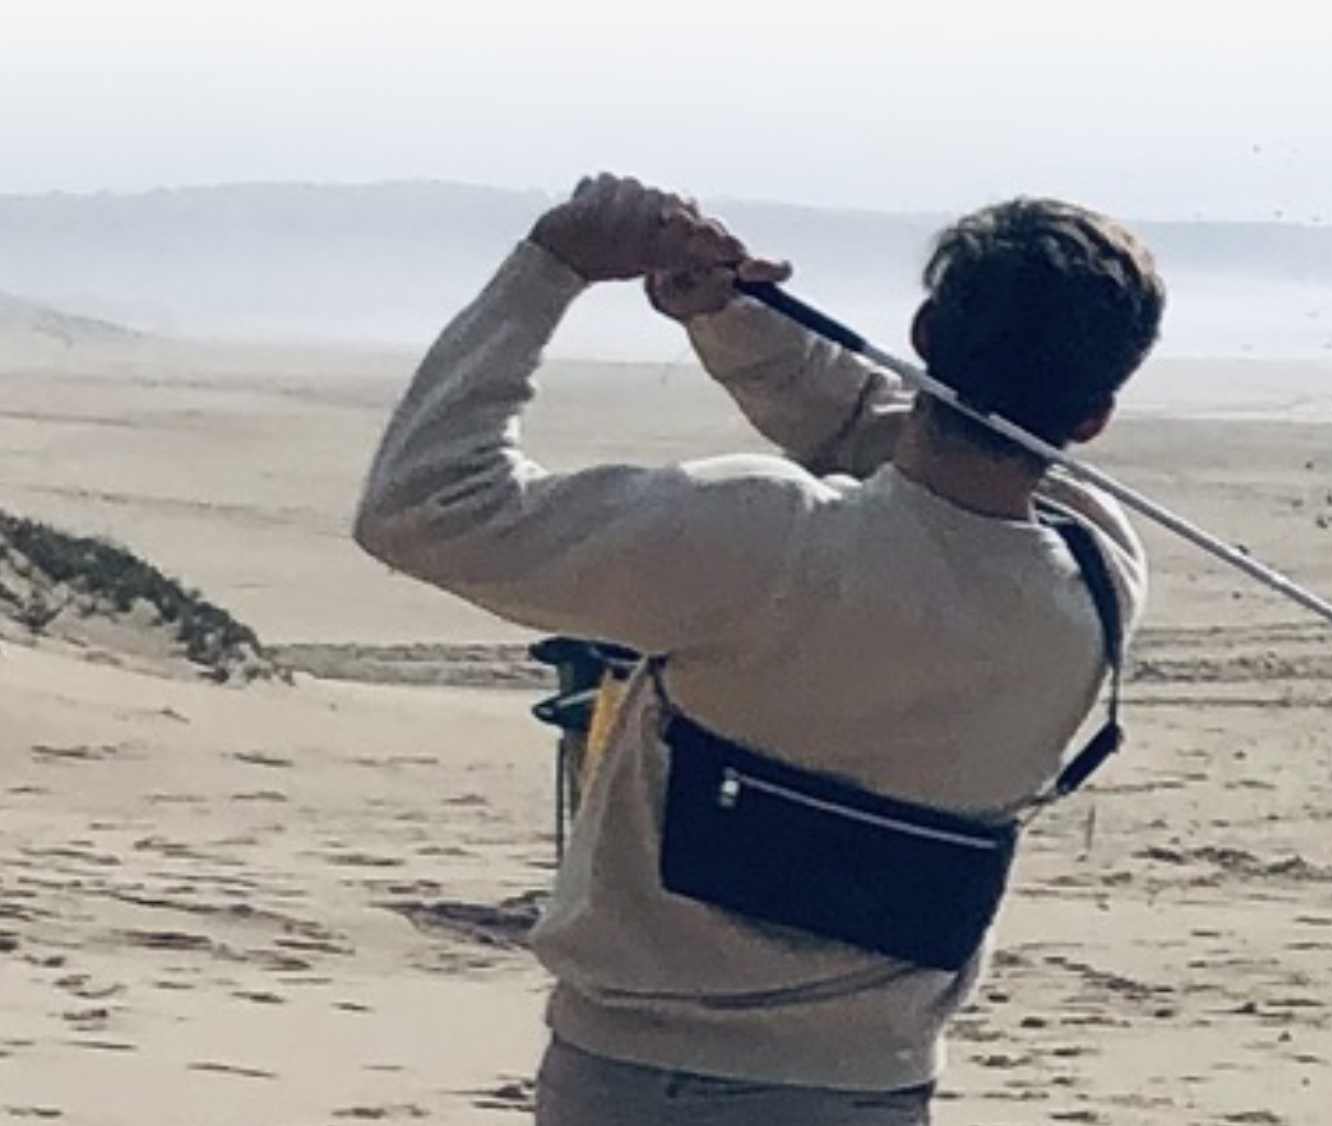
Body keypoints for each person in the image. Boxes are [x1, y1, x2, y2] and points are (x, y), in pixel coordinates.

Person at [352, 173, 1166, 1125]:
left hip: (645, 1082)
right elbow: (887, 438)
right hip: (879, 1088)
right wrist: (732, 317)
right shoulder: (1100, 569)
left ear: (926, 339)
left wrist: (553, 266)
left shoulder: (768, 541)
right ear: (1092, 418)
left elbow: (426, 505)